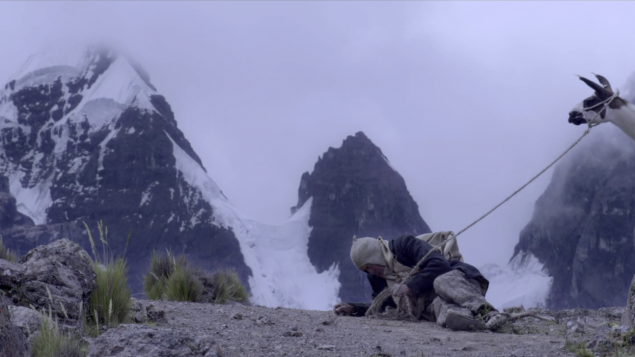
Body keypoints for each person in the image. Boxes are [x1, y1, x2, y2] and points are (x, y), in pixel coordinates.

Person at [332, 234, 508, 331]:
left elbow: (440, 265)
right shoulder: (377, 279)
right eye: (365, 270)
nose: (371, 272)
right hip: (433, 299)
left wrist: (409, 286)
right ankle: (470, 321)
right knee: (440, 309)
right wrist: (354, 308)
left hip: (458, 281)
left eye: (370, 266)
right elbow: (381, 306)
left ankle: (488, 312)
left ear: (375, 255)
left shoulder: (404, 245)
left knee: (441, 281)